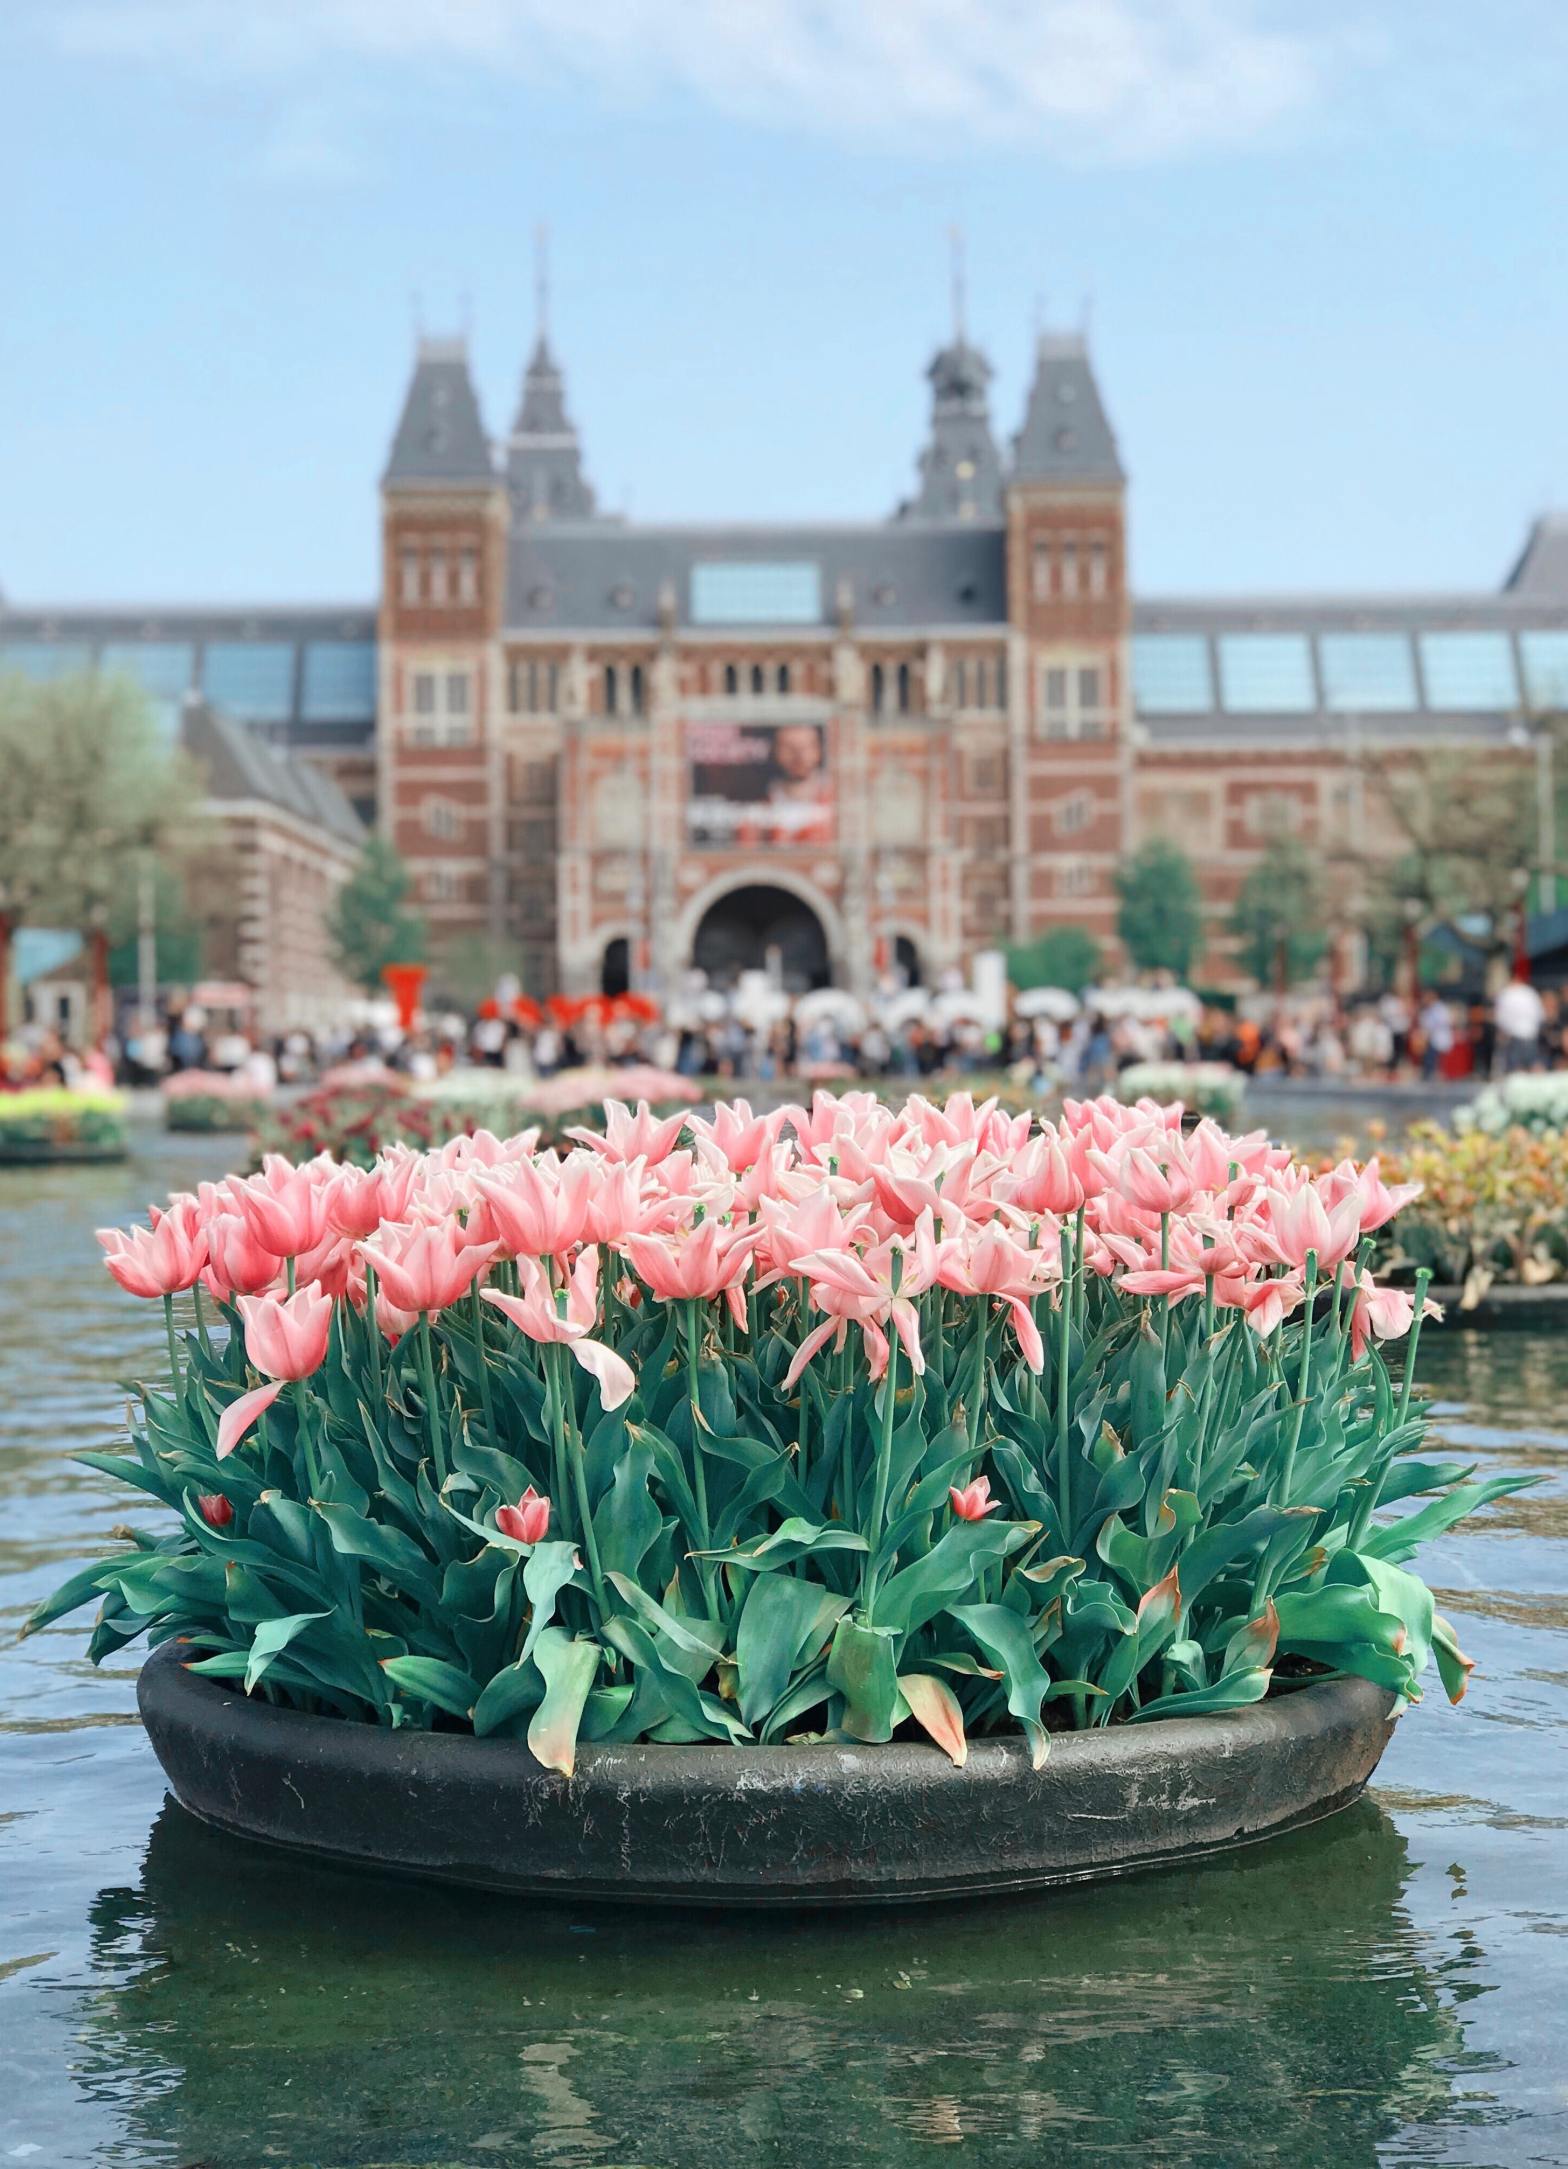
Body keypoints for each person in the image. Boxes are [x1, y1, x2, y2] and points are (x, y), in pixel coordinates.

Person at [1494, 973, 1545, 1072]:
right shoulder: (1531, 992)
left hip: (1514, 1035)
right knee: (1531, 1063)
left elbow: (1501, 1017)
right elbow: (1540, 1014)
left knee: (1516, 1066)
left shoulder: (1507, 993)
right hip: (1530, 1033)